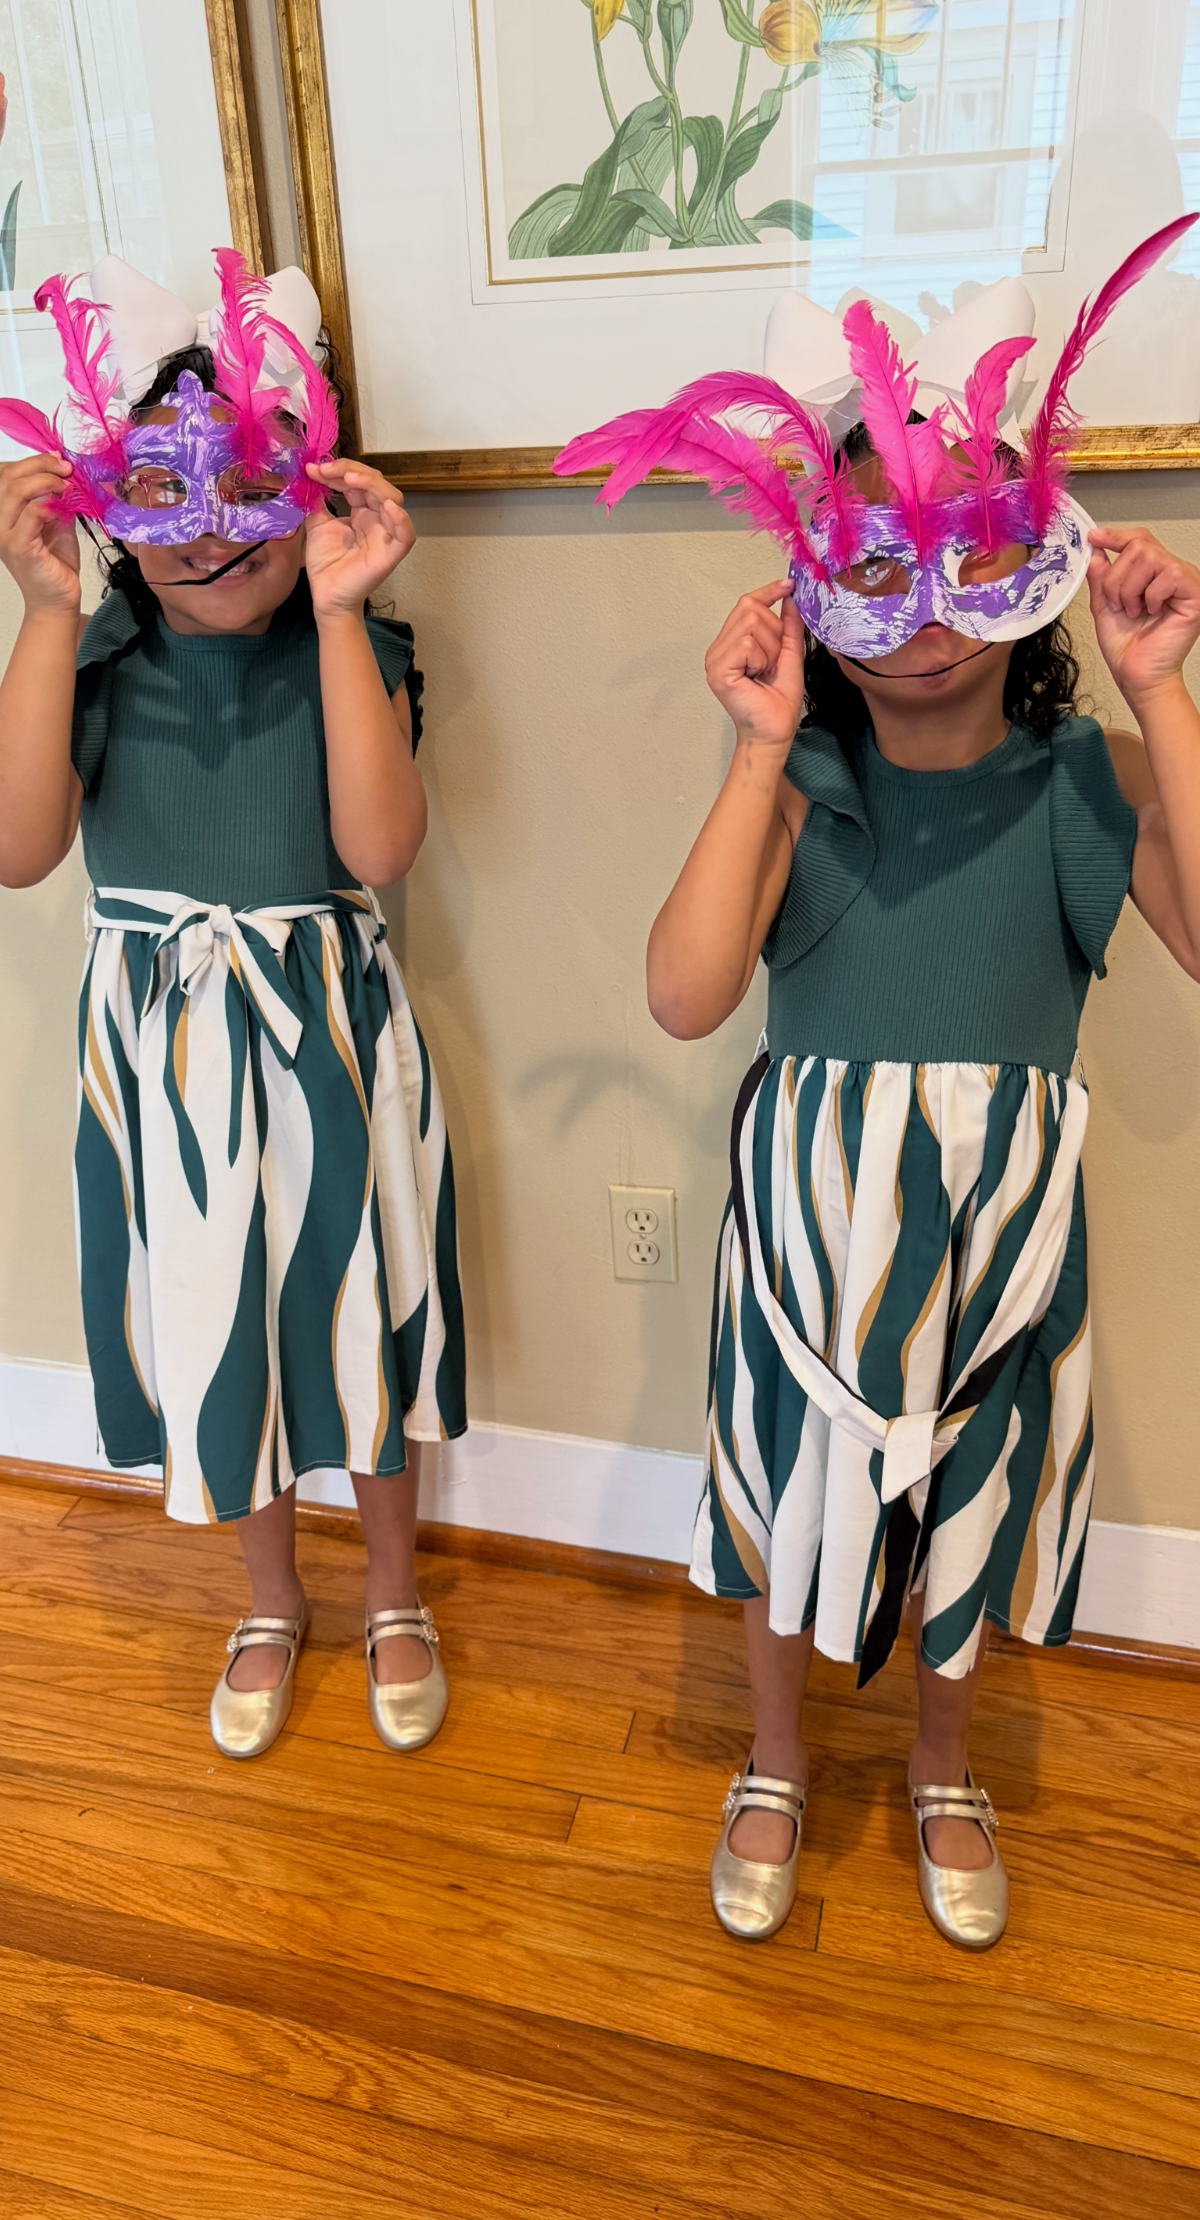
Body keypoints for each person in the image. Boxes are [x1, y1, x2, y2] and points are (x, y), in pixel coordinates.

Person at [557, 218, 1200, 1949]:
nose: (922, 619)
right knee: (794, 1495)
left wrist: (1167, 694)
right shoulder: (797, 784)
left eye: (963, 552)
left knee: (969, 1505)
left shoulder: (1087, 780)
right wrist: (762, 746)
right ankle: (772, 1755)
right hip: (807, 1229)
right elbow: (688, 996)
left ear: (1034, 560)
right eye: (875, 560)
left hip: (1002, 1235)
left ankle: (941, 1763)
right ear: (810, 576)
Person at [0, 248, 465, 1761]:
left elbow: (378, 851)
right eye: (162, 500)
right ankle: (271, 1596)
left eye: (242, 495)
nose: (206, 538)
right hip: (165, 1043)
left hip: (325, 1020)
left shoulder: (360, 646)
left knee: (361, 1309)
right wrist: (47, 613)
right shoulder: (94, 654)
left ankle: (395, 1584)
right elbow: (19, 853)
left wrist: (339, 615)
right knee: (218, 1329)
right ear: (108, 505)